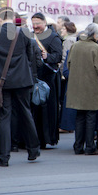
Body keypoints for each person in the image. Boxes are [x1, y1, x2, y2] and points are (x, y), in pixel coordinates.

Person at [0, 7, 41, 166]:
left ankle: (3, 157)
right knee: (25, 112)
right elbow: (30, 57)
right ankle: (33, 150)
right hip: (22, 79)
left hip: (1, 82)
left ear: (0, 18)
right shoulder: (24, 33)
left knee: (3, 117)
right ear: (14, 17)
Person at [66, 23, 98, 155]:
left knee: (79, 117)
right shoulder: (96, 48)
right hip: (90, 87)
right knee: (90, 117)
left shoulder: (75, 46)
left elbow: (69, 64)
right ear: (94, 35)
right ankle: (90, 147)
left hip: (76, 86)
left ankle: (78, 146)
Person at [32, 12, 63, 148]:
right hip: (33, 77)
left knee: (46, 110)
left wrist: (47, 56)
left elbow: (58, 56)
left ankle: (45, 139)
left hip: (48, 79)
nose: (35, 26)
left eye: (38, 23)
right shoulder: (29, 35)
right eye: (33, 23)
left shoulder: (53, 37)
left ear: (44, 23)